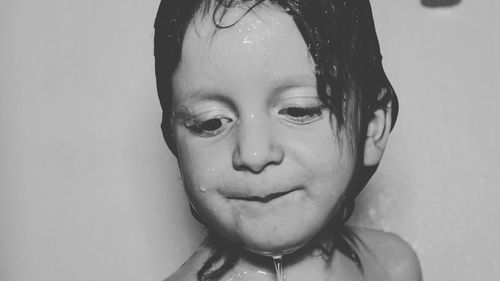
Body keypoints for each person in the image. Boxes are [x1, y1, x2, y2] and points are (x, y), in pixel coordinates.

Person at [154, 0, 422, 280]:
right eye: (210, 122)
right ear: (173, 138)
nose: (253, 154)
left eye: (298, 110)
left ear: (371, 128)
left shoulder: (392, 268)